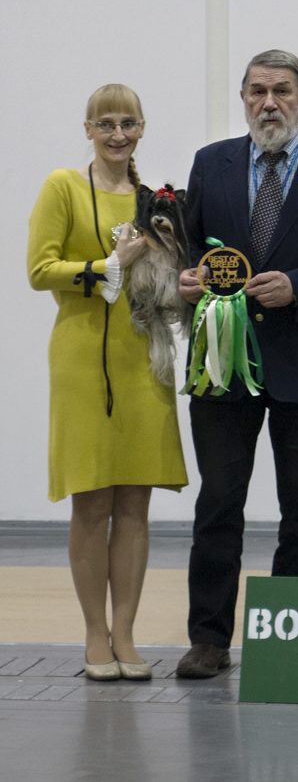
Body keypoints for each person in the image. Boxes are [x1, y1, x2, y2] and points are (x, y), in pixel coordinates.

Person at [176, 49, 298, 678]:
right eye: (258, 91)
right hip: (221, 362)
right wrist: (186, 278)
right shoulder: (210, 163)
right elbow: (188, 246)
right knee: (218, 504)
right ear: (243, 98)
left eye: (282, 91)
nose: (270, 103)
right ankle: (208, 638)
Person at [27, 84, 188, 680]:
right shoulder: (62, 187)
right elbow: (40, 269)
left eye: (128, 124)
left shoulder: (154, 200)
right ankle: (95, 635)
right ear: (88, 129)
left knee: (136, 504)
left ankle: (126, 633)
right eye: (106, 124)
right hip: (81, 363)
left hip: (144, 360)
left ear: (142, 128)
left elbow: (169, 275)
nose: (117, 135)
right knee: (92, 502)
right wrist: (107, 266)